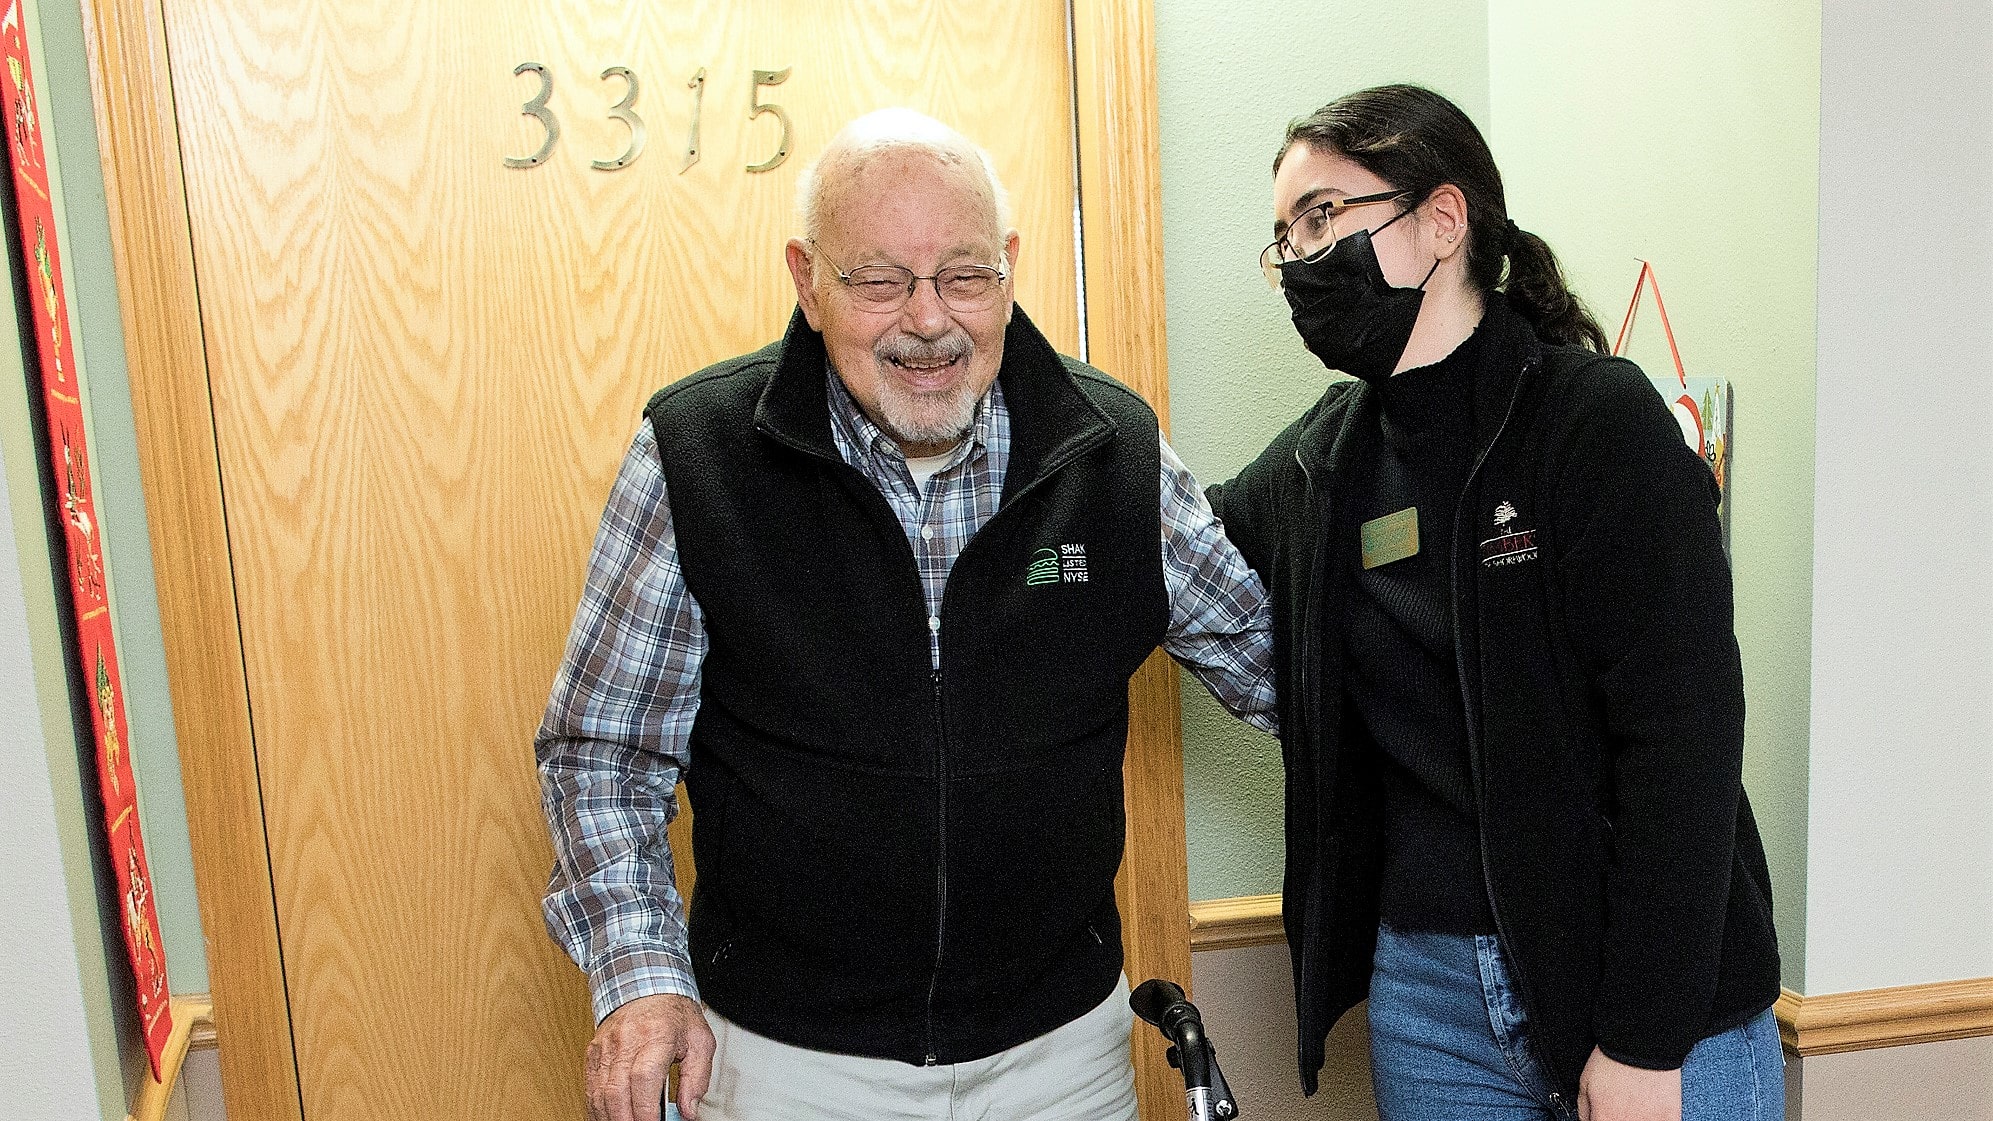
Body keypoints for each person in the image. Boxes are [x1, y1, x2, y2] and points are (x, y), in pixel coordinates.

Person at [535, 108, 1276, 1121]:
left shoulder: (1113, 451)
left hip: (1060, 1055)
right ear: (805, 278)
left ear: (1008, 269)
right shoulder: (694, 454)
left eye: (964, 277)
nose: (927, 321)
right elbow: (602, 752)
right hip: (786, 1061)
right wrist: (638, 969)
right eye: (878, 280)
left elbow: (1273, 661)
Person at [1208, 85, 1783, 1121]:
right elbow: (1179, 546)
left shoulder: (1591, 423)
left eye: (1323, 217)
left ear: (1441, 220)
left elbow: (1685, 743)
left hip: (1647, 1001)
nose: (1298, 257)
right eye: (1284, 234)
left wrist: (1643, 1039)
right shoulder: (1321, 458)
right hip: (1429, 1002)